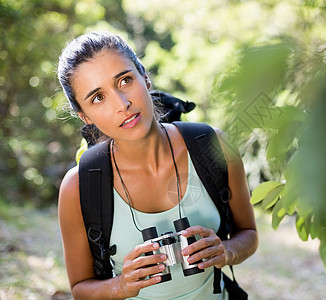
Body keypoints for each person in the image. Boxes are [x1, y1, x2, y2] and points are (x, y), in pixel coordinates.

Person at [57, 31, 258, 300]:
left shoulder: (213, 146)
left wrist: (226, 251)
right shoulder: (78, 186)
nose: (123, 104)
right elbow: (81, 288)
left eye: (125, 80)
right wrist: (121, 285)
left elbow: (249, 234)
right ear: (85, 116)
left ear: (145, 77)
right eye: (98, 98)